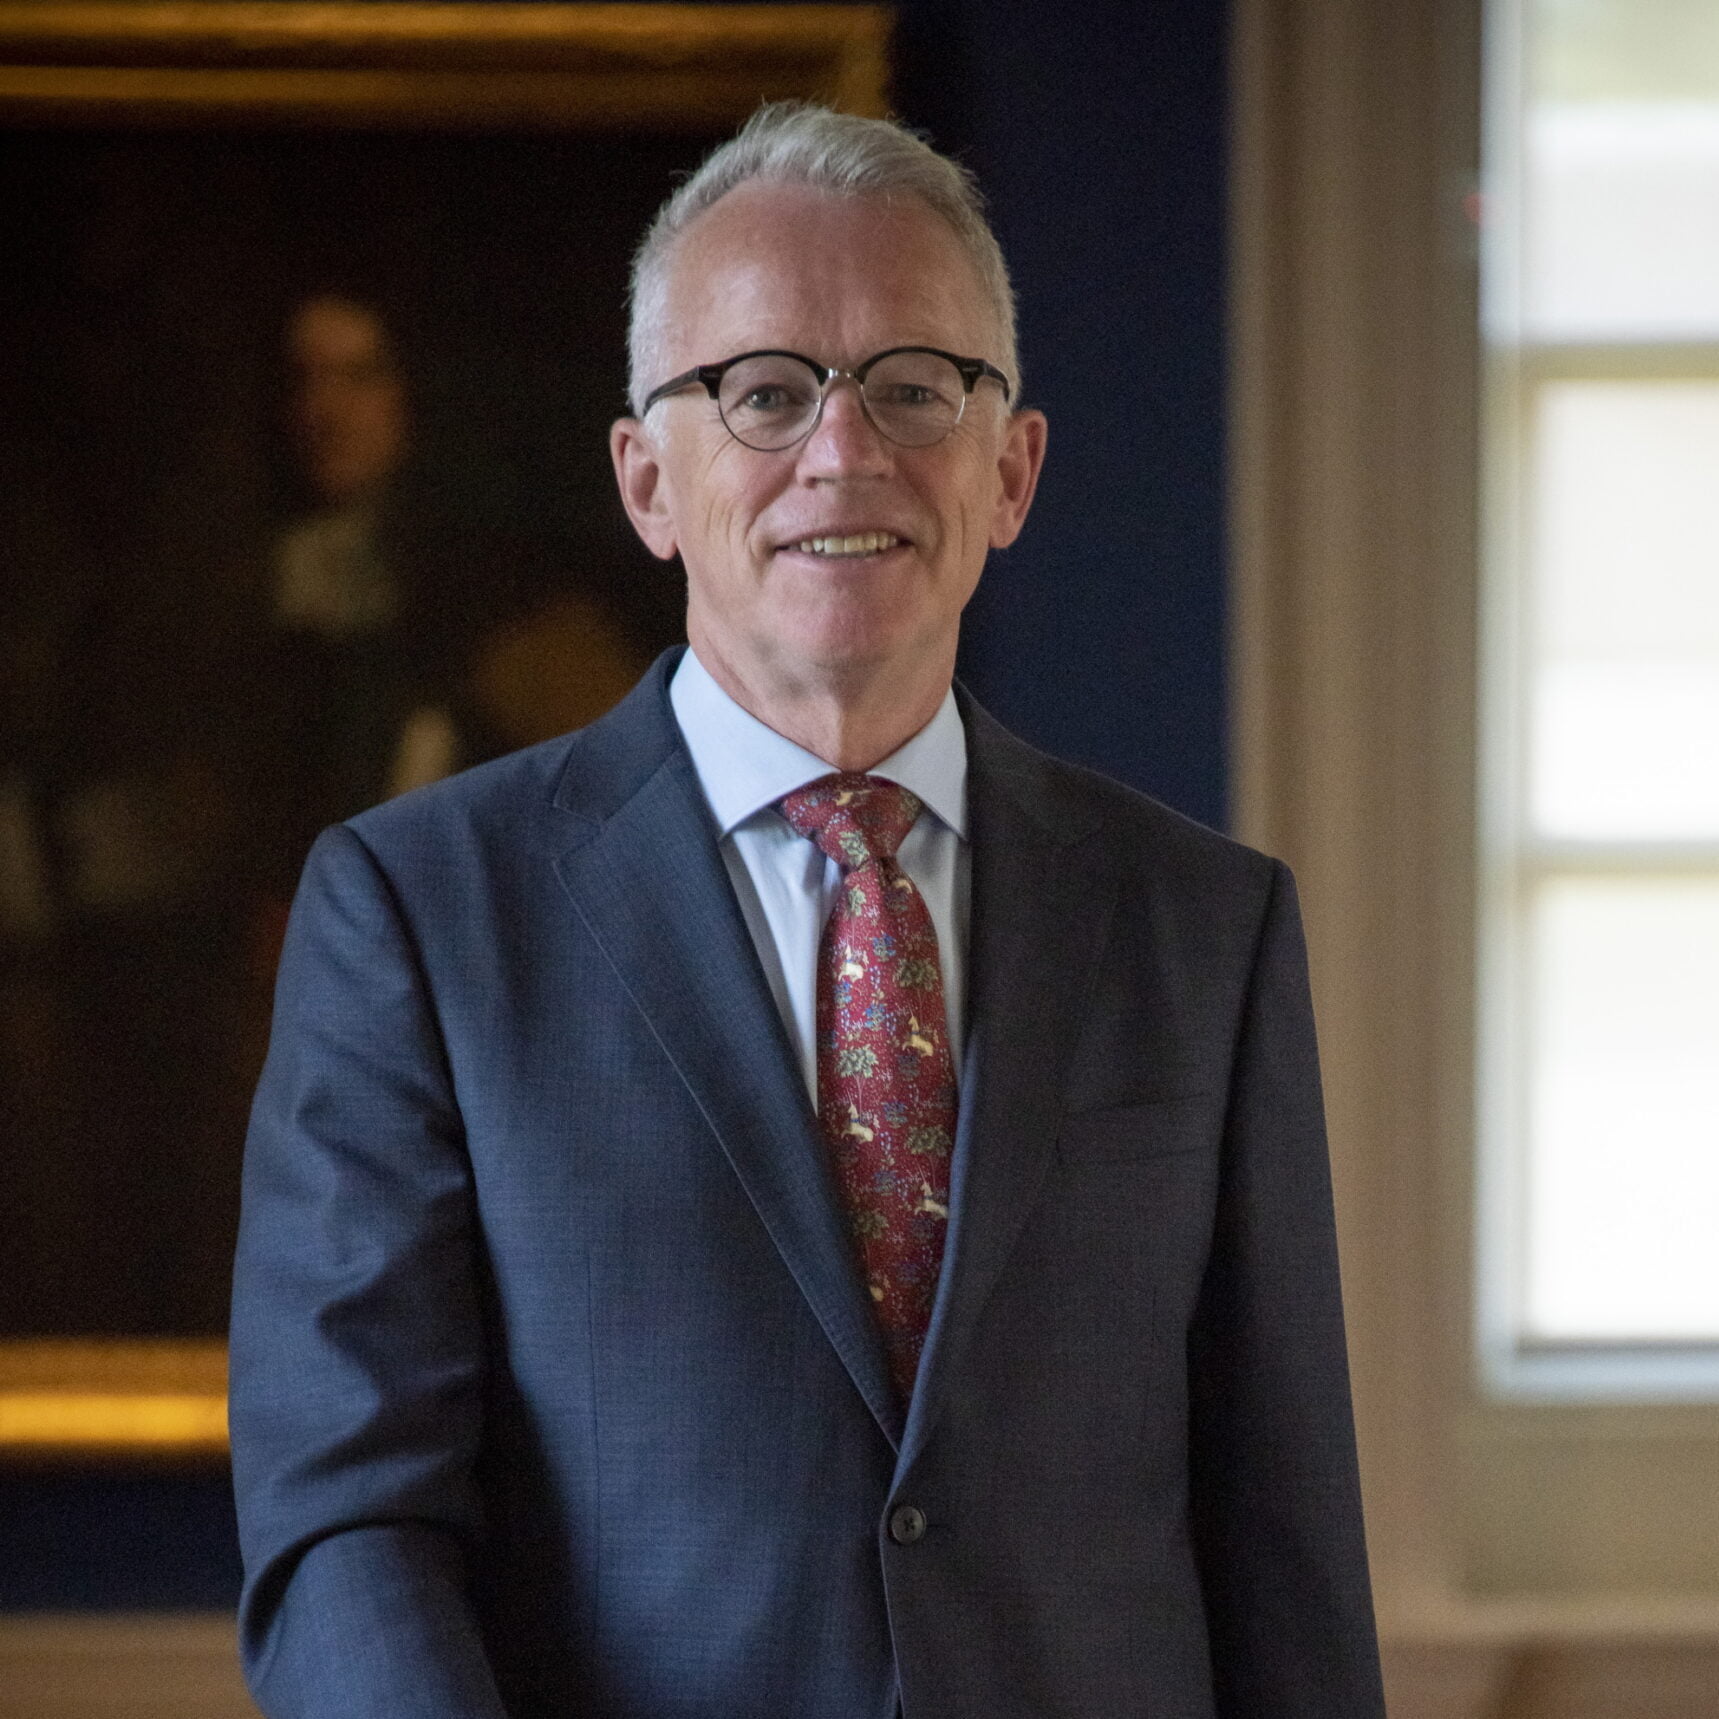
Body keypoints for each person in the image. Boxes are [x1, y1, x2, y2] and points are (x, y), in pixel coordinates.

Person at [230, 103, 1386, 1719]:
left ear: (1012, 472)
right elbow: (348, 1525)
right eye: (763, 392)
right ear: (647, 477)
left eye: (916, 387)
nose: (844, 451)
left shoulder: (1208, 928)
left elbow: (1285, 1556)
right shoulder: (421, 917)